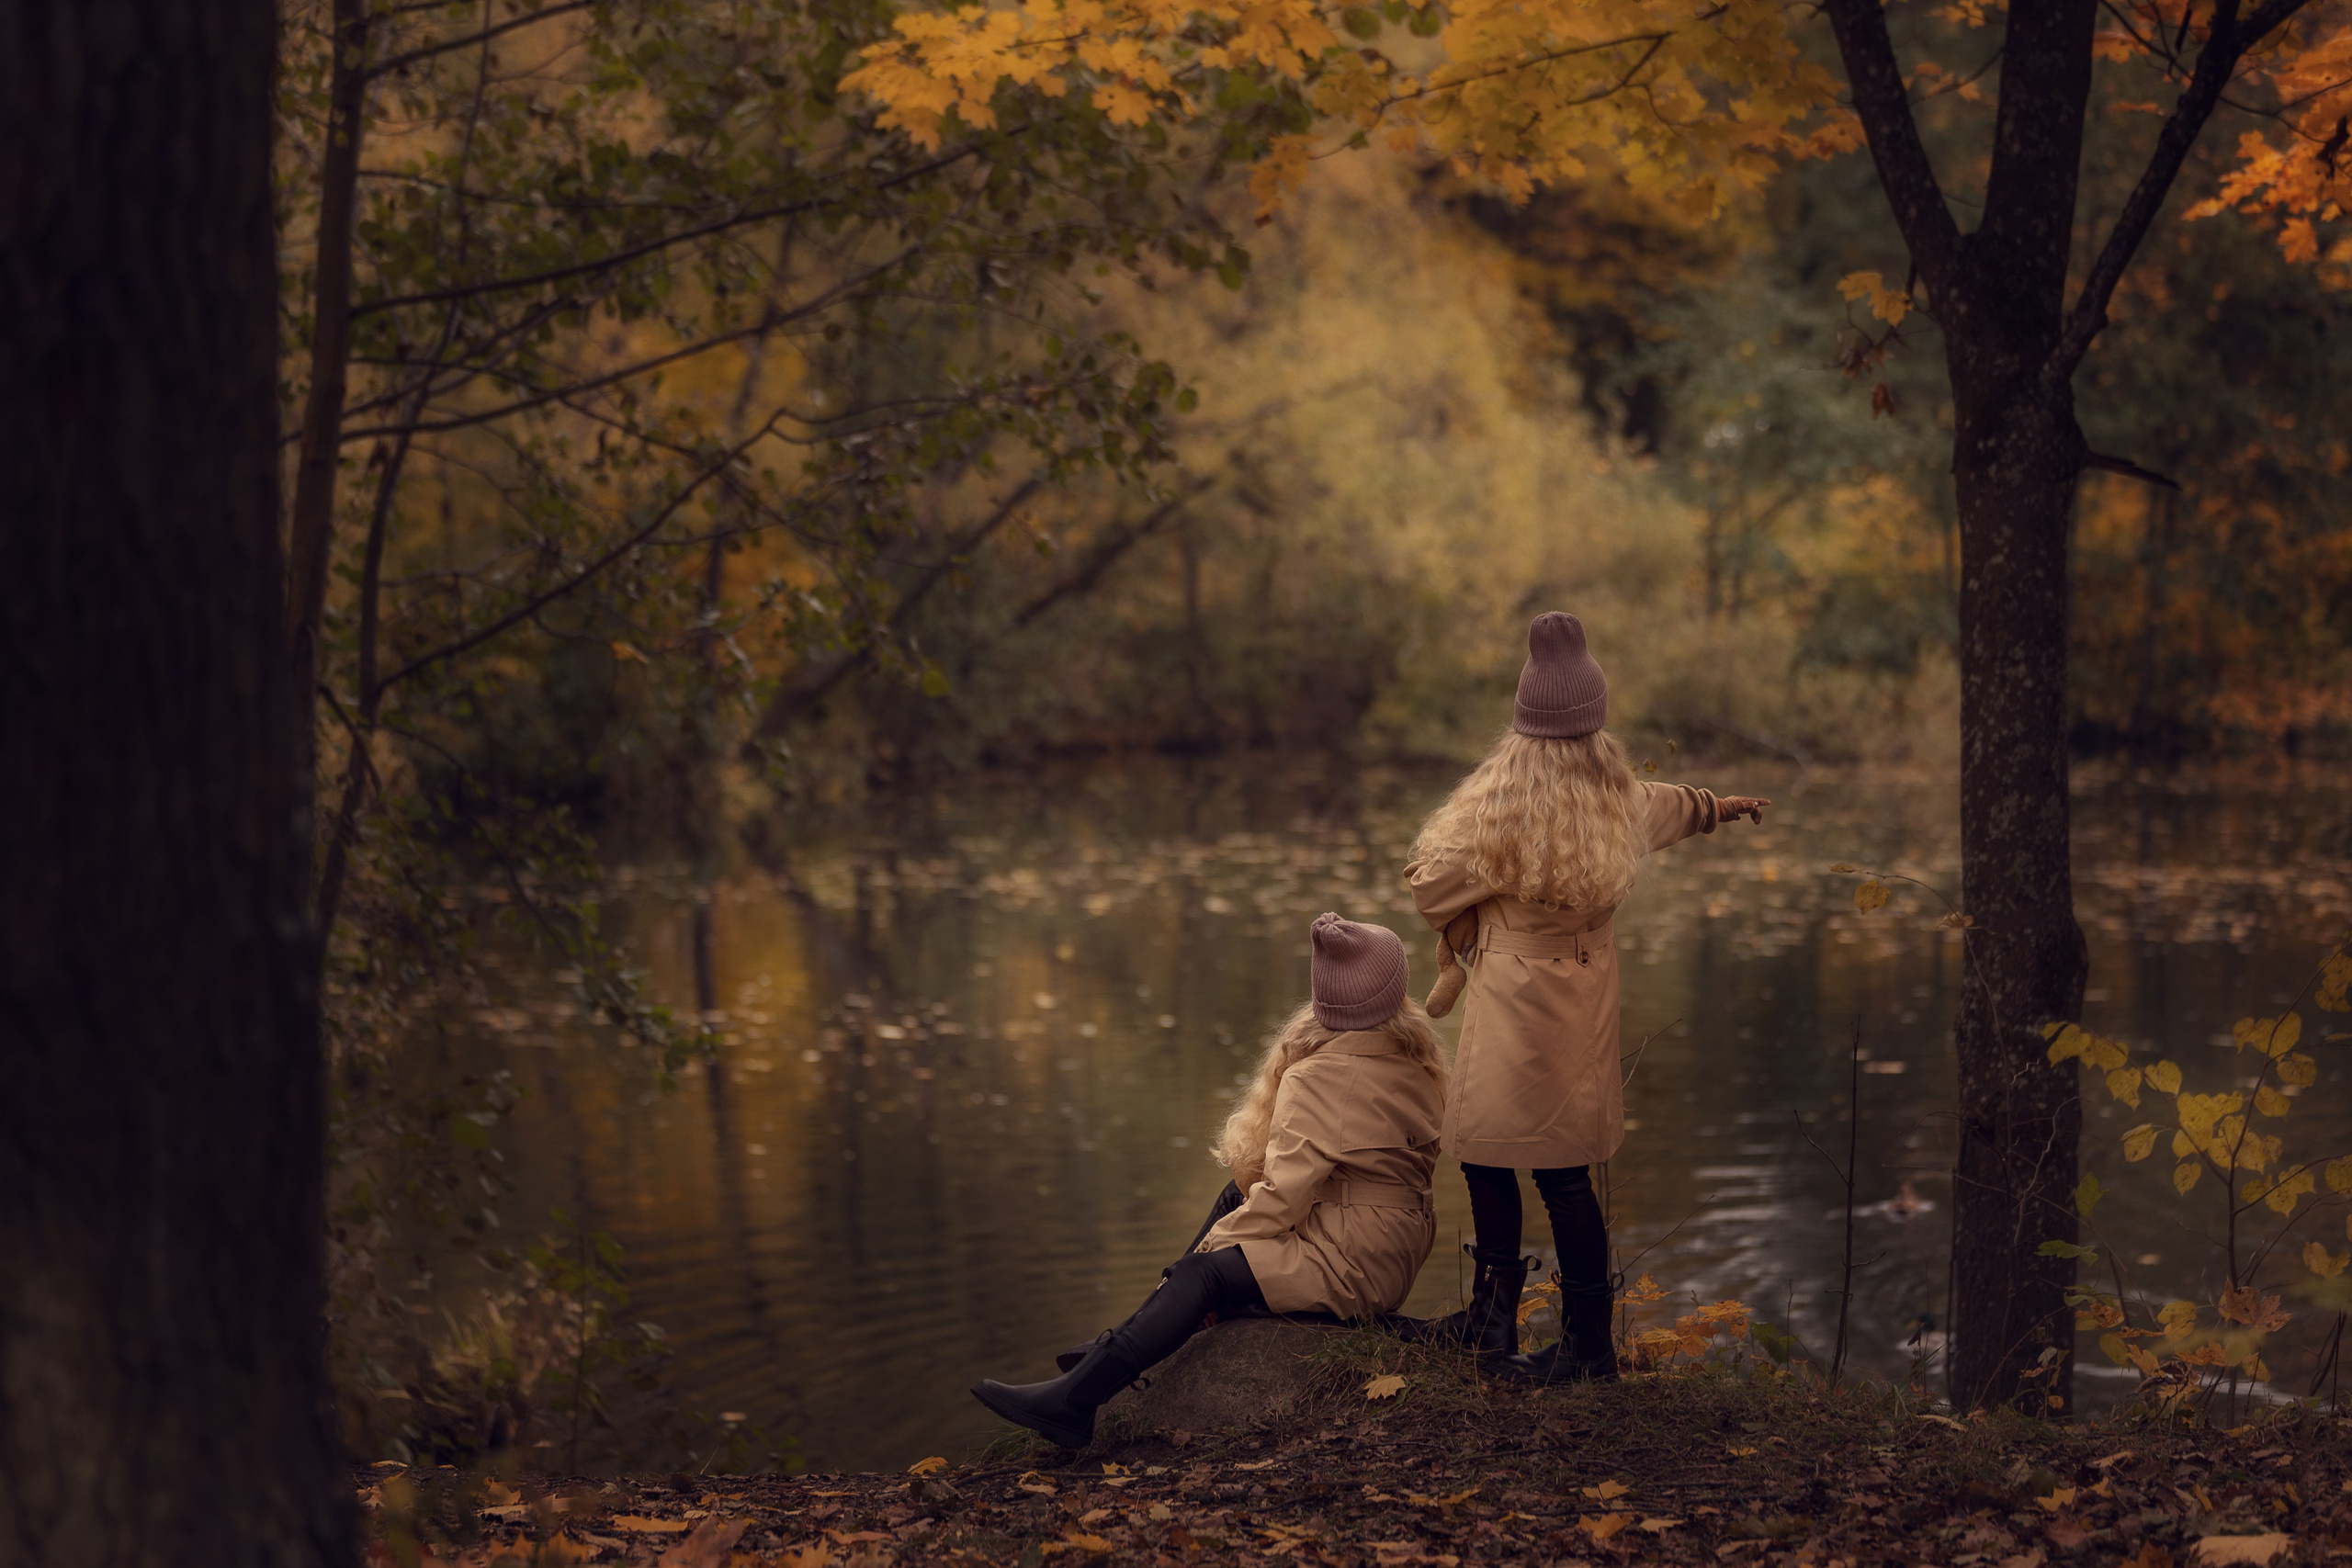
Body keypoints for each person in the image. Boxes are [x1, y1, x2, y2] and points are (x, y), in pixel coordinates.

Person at [1405, 611, 1769, 1382]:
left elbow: (1430, 886)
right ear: (1595, 728)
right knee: (1564, 1173)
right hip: (1582, 1007)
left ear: (1523, 732)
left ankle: (1493, 1318)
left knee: (1486, 1155)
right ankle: (1587, 1341)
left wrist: (1465, 910)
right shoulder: (1618, 804)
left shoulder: (1498, 824)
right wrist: (1723, 805)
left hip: (1511, 1008)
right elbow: (1674, 806)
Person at [970, 912, 1448, 1449]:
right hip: (1395, 1247)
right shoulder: (1417, 1059)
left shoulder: (1321, 1076)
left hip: (1355, 1261)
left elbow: (1284, 1200)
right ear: (1393, 991)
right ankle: (1133, 1335)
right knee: (1235, 1196)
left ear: (1325, 999)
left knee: (1202, 1275)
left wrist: (1199, 1262)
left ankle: (1076, 1401)